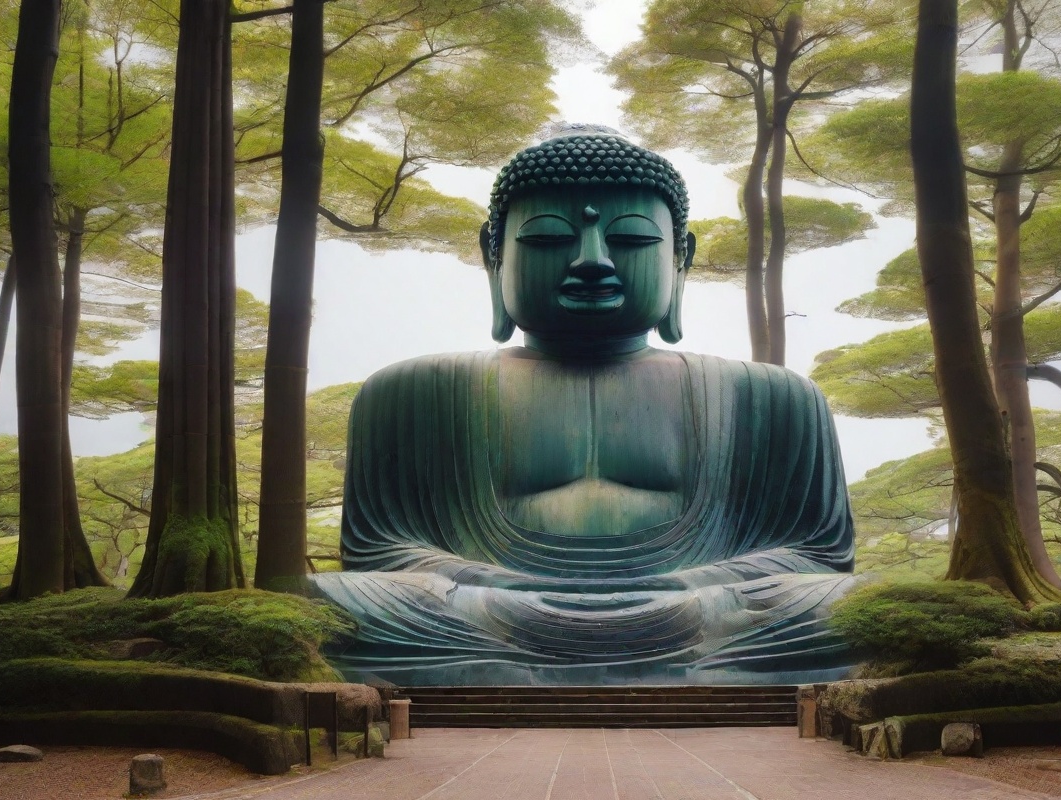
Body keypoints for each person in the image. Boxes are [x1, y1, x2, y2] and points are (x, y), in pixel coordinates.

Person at [310, 127, 858, 685]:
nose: (592, 260)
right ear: (494, 259)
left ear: (680, 260)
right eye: (547, 238)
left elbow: (817, 554)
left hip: (702, 605)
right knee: (334, 600)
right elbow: (377, 552)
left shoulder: (770, 396)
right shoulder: (412, 391)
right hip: (486, 607)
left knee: (839, 602)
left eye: (633, 239)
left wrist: (686, 586)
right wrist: (498, 584)